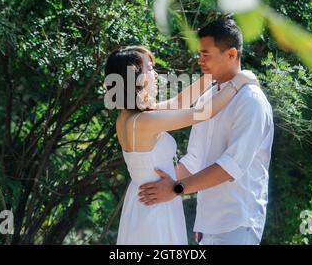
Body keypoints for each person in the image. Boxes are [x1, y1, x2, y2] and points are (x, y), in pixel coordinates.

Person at [138, 18, 275, 245]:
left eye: (206, 54)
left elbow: (231, 167)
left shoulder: (251, 101)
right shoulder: (208, 98)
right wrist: (155, 186)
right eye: (199, 54)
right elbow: (193, 160)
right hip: (206, 225)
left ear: (231, 54)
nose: (200, 60)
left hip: (237, 223)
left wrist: (175, 188)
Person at [104, 44, 259, 244]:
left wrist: (216, 72)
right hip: (155, 206)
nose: (156, 75)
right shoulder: (144, 122)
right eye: (149, 69)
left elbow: (179, 102)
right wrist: (237, 83)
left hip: (147, 200)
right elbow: (203, 113)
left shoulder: (128, 117)